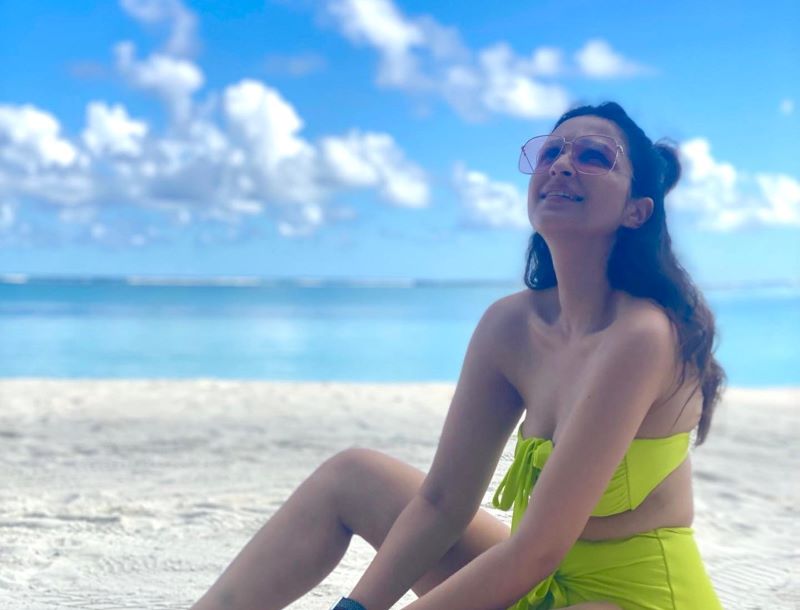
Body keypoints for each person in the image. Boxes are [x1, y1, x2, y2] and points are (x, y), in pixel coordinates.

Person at [189, 102, 726, 610]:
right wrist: (357, 606)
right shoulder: (511, 325)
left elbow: (536, 551)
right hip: (531, 584)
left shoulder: (642, 335)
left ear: (636, 211)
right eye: (551, 152)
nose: (563, 164)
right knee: (351, 477)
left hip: (632, 597)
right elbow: (443, 502)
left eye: (593, 156)